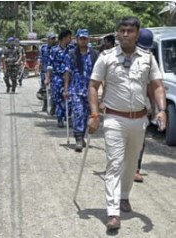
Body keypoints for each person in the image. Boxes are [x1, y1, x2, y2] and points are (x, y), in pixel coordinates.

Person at [88, 16, 167, 231]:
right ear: (117, 32)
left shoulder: (148, 59)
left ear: (137, 33)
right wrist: (95, 115)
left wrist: (161, 111)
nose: (125, 34)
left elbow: (158, 86)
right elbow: (93, 86)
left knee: (131, 164)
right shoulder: (106, 57)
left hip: (139, 120)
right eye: (122, 30)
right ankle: (113, 212)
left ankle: (124, 196)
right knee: (114, 164)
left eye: (130, 31)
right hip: (114, 118)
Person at [63, 29, 98, 152]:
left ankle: (82, 135)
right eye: (81, 38)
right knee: (78, 112)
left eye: (85, 38)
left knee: (87, 114)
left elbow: (99, 74)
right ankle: (78, 139)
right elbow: (67, 72)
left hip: (90, 90)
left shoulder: (94, 54)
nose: (83, 41)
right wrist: (66, 89)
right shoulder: (72, 54)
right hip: (76, 88)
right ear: (77, 39)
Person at [134, 28, 155, 183]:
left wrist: (153, 106)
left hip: (142, 105)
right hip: (123, 106)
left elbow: (152, 85)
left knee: (140, 138)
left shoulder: (150, 59)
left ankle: (136, 169)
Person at [45, 29, 73, 128]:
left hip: (70, 78)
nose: (70, 39)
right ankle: (60, 119)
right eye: (69, 37)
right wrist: (47, 78)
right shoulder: (54, 50)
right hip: (57, 78)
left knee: (69, 97)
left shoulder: (72, 49)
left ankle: (69, 117)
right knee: (58, 99)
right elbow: (49, 65)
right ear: (64, 38)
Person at [37, 32, 57, 112]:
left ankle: (53, 106)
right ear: (48, 39)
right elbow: (40, 58)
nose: (53, 40)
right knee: (44, 89)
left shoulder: (56, 48)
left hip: (54, 72)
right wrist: (38, 66)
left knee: (54, 89)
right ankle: (45, 104)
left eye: (54, 38)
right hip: (44, 71)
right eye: (52, 38)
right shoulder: (43, 48)